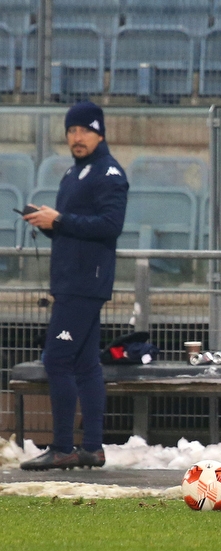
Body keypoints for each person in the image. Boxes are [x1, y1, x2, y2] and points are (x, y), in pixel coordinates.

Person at [19, 101, 128, 471]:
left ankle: (64, 446)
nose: (76, 137)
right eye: (71, 131)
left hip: (85, 282)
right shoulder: (74, 172)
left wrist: (61, 219)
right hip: (70, 280)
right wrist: (52, 225)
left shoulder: (109, 173)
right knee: (84, 365)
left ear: (100, 132)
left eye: (83, 130)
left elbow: (110, 225)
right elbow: (75, 229)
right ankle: (92, 448)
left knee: (57, 360)